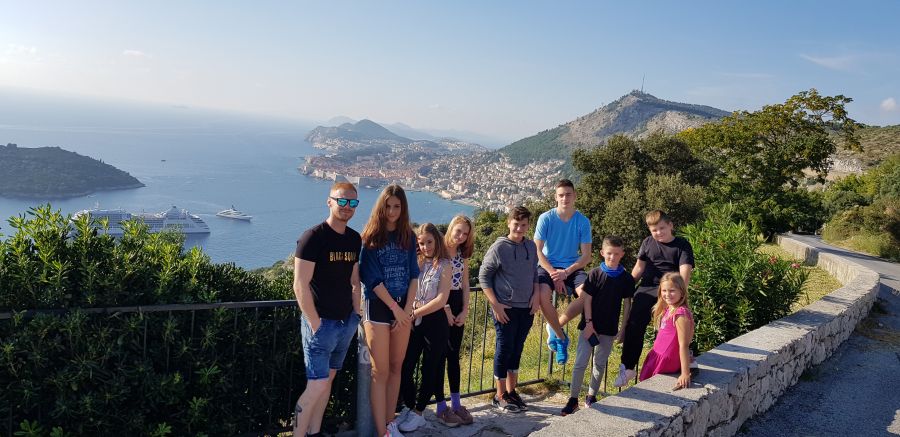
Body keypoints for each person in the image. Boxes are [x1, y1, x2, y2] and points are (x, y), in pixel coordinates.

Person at [291, 181, 363, 437]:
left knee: (327, 382)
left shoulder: (354, 239)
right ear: (329, 201)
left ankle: (314, 432)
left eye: (352, 202)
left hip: (345, 323)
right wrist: (315, 323)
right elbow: (300, 284)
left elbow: (354, 280)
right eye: (341, 201)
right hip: (321, 324)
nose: (347, 206)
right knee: (316, 385)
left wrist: (357, 315)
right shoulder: (313, 237)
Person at [360, 184, 420, 437]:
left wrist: (406, 309)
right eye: (388, 206)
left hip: (402, 307)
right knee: (380, 371)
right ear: (381, 207)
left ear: (403, 208)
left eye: (397, 206)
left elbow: (414, 275)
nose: (392, 211)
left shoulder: (408, 237)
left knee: (396, 367)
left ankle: (390, 422)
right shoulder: (371, 238)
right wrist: (396, 310)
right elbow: (372, 279)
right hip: (378, 307)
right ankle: (381, 431)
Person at [615, 210, 694, 387]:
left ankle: (686, 358)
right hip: (648, 287)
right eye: (654, 230)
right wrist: (625, 286)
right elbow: (639, 268)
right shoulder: (647, 243)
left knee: (674, 326)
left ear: (670, 225)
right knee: (635, 323)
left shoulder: (682, 245)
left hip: (670, 289)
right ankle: (628, 367)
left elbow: (685, 273)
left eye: (661, 228)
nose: (658, 232)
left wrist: (679, 294)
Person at [561, 236, 634, 416]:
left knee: (599, 364)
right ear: (602, 253)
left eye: (616, 254)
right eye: (609, 253)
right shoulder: (594, 273)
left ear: (622, 254)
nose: (612, 257)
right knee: (580, 363)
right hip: (589, 326)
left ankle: (591, 396)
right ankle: (573, 399)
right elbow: (587, 299)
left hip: (609, 328)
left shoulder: (626, 278)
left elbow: (627, 303)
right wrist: (588, 324)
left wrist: (623, 329)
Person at [478, 206, 541, 413]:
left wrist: (536, 296)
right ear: (508, 223)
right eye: (516, 224)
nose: (519, 228)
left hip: (526, 308)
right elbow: (484, 276)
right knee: (504, 349)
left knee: (517, 349)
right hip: (505, 308)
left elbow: (534, 273)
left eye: (523, 225)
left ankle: (512, 391)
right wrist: (495, 304)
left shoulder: (530, 246)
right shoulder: (499, 247)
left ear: (528, 226)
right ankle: (499, 395)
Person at [397, 223, 457, 431]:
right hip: (415, 322)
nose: (426, 247)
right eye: (421, 243)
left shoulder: (445, 265)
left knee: (429, 368)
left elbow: (441, 299)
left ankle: (419, 411)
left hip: (434, 323)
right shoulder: (417, 262)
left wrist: (416, 312)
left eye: (429, 242)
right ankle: (409, 405)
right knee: (405, 366)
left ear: (437, 241)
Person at [535, 179, 593, 364]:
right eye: (561, 195)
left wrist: (565, 273)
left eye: (568, 194)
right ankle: (561, 337)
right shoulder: (546, 218)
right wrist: (555, 273)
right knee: (542, 295)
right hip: (547, 266)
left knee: (587, 295)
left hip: (572, 267)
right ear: (555, 197)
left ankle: (555, 327)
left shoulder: (582, 221)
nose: (564, 198)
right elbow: (537, 251)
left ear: (575, 196)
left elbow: (586, 256)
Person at [435, 215, 475, 425]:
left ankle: (456, 404)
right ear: (451, 228)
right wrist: (445, 309)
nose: (460, 236)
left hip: (458, 302)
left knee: (453, 356)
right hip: (439, 305)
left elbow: (465, 283)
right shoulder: (437, 249)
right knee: (439, 356)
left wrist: (465, 310)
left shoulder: (461, 253)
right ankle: (441, 406)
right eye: (458, 231)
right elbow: (431, 284)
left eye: (465, 234)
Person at [638, 272, 694, 391]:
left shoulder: (680, 313)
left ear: (682, 292)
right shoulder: (669, 308)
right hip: (657, 355)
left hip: (665, 361)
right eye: (664, 290)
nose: (667, 294)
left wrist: (685, 373)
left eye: (672, 290)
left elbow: (684, 344)